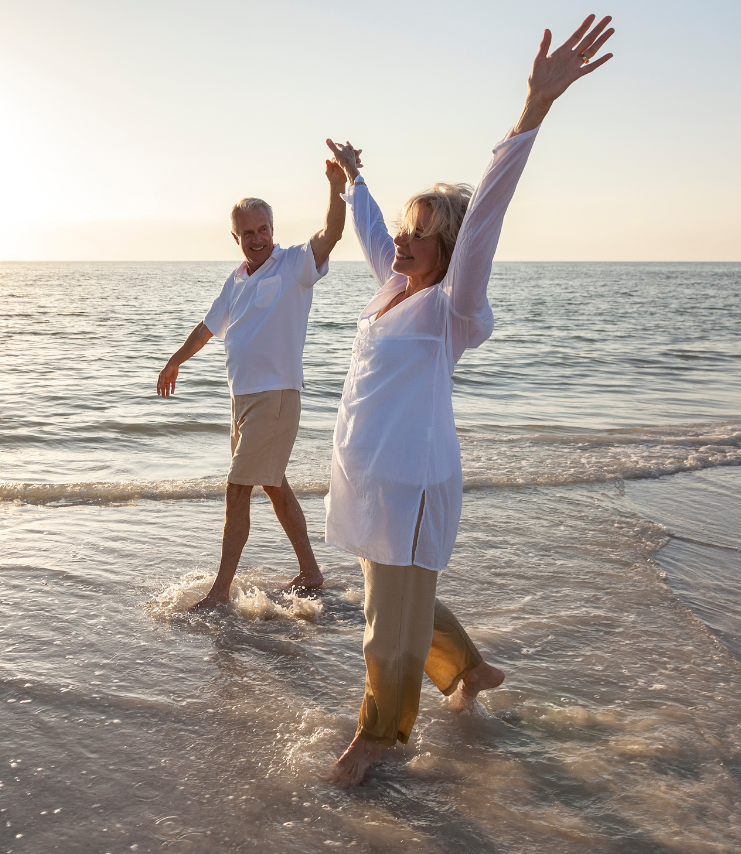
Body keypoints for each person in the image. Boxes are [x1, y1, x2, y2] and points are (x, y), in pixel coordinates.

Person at [322, 15, 615, 786]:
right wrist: (354, 180)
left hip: (412, 484)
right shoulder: (392, 289)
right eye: (405, 232)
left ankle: (377, 740)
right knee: (398, 597)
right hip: (372, 480)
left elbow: (485, 216)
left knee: (387, 622)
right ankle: (470, 671)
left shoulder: (449, 307)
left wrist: (533, 110)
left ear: (448, 248)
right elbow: (372, 232)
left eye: (419, 234)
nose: (402, 243)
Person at [156, 159, 348, 611]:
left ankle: (219, 592)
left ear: (273, 229)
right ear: (236, 237)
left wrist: (336, 186)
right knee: (274, 485)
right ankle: (311, 572)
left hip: (275, 395)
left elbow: (332, 233)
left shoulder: (294, 264)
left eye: (264, 229)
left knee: (237, 488)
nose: (258, 238)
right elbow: (207, 328)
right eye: (248, 233)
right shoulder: (236, 280)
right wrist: (174, 361)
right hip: (241, 400)